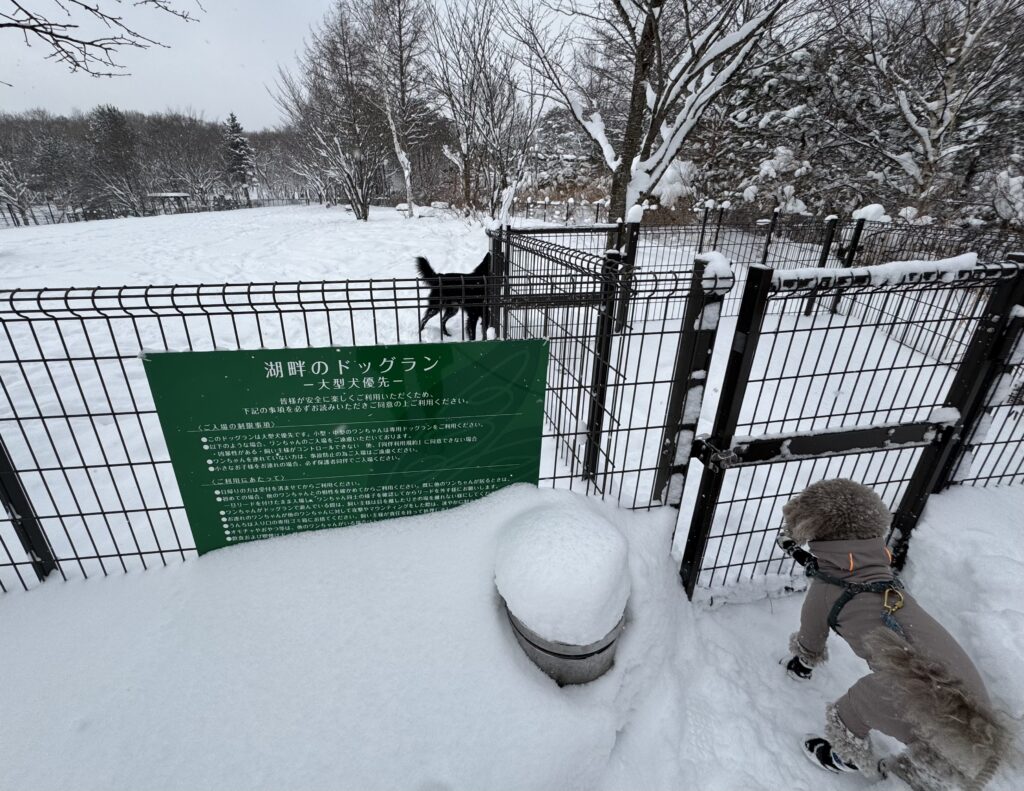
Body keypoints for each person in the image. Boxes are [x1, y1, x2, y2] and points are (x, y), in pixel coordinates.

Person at [777, 478, 1005, 790]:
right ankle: (929, 773)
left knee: (855, 707)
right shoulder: (881, 574)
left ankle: (845, 757)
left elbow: (811, 636)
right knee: (932, 729)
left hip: (914, 689)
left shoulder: (826, 592)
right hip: (968, 696)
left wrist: (803, 661)